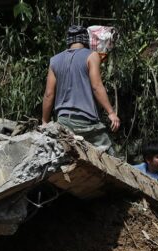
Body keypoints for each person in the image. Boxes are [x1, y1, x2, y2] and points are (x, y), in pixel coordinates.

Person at [41, 25, 119, 154]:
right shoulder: (92, 56)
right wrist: (111, 112)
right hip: (86, 122)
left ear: (68, 41)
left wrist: (44, 121)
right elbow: (96, 86)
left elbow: (49, 94)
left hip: (63, 122)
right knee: (111, 155)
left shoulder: (54, 61)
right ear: (85, 40)